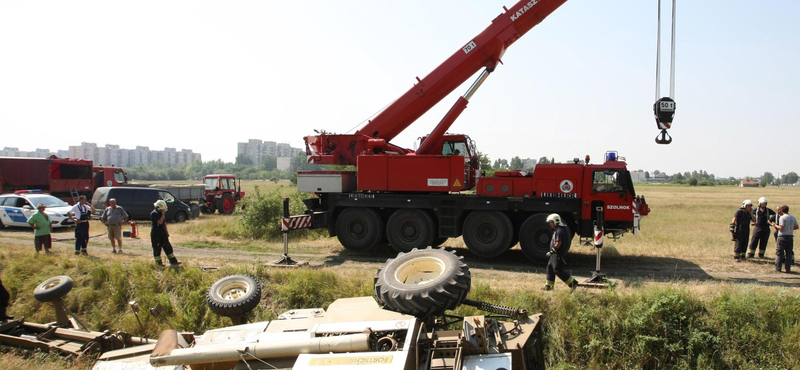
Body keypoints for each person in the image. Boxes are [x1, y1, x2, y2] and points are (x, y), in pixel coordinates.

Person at [542, 213, 578, 291]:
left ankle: (573, 283)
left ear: (556, 221)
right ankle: (549, 286)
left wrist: (552, 251)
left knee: (557, 270)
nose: (550, 224)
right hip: (554, 254)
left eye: (551, 222)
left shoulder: (560, 231)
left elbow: (558, 242)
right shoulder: (557, 230)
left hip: (557, 254)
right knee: (550, 268)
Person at [151, 200, 181, 266]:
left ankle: (173, 261)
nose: (163, 211)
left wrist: (166, 232)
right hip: (156, 234)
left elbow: (164, 223)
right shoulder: (154, 213)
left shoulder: (161, 214)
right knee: (157, 248)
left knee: (168, 247)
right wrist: (163, 214)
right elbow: (160, 222)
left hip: (163, 233)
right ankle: (159, 263)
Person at [769, 205, 797, 273]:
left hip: (782, 237)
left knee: (780, 253)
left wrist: (775, 225)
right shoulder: (793, 217)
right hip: (790, 236)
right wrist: (789, 229)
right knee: (789, 253)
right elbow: (797, 227)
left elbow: (781, 228)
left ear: (782, 210)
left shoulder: (782, 218)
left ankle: (778, 268)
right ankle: (788, 269)